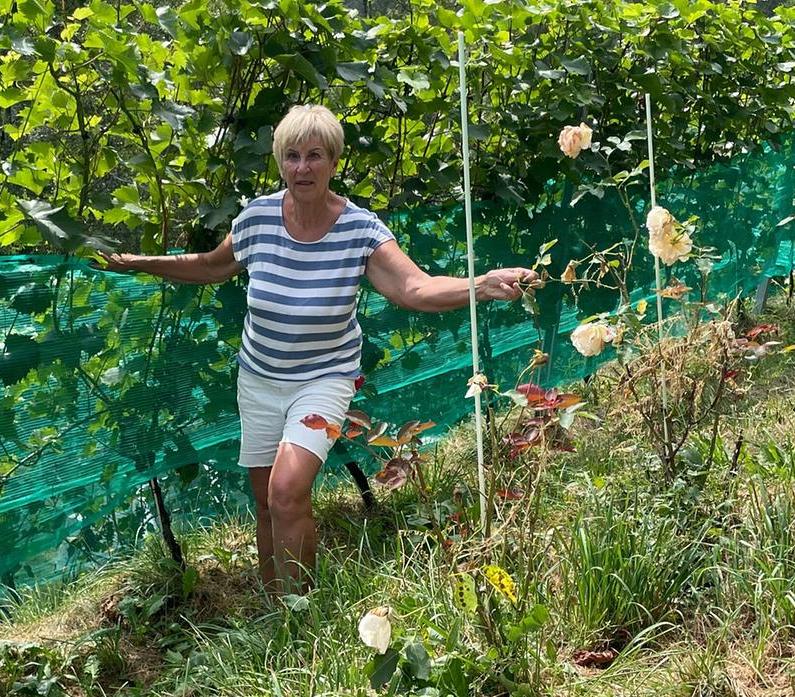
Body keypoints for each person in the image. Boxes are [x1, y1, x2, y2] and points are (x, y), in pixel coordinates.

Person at [97, 104, 534, 592]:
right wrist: (140, 263)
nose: (302, 168)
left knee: (287, 490)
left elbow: (413, 289)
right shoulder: (257, 219)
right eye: (291, 156)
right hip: (258, 379)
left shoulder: (361, 229)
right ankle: (274, 607)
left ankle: (302, 609)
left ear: (333, 161)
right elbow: (211, 266)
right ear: (280, 162)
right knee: (265, 499)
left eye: (314, 156)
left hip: (324, 379)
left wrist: (483, 284)